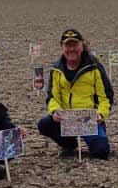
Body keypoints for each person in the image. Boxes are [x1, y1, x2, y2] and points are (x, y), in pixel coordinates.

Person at [36, 29, 113, 159]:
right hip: (66, 120)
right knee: (44, 124)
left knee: (101, 152)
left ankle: (98, 137)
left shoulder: (94, 67)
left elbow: (106, 96)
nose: (71, 49)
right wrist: (55, 111)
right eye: (67, 45)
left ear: (82, 46)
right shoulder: (56, 70)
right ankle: (69, 144)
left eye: (75, 45)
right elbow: (52, 97)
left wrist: (101, 113)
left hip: (89, 119)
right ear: (62, 47)